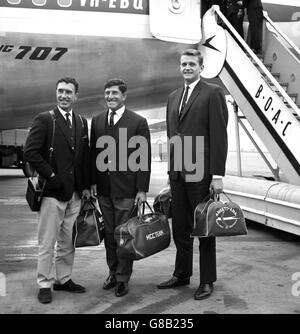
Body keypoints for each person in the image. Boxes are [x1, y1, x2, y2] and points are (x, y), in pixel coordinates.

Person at [157, 49, 228, 300]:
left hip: (202, 173)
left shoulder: (212, 93)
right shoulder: (173, 97)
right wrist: (170, 171)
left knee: (204, 228)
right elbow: (172, 136)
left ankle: (207, 280)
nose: (187, 68)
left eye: (191, 64)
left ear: (201, 66)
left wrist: (217, 174)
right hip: (178, 174)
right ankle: (182, 273)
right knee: (180, 227)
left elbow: (219, 135)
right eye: (183, 64)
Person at [24, 77, 91, 304]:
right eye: (60, 91)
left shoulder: (82, 122)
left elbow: (83, 157)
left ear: (76, 96)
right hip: (52, 194)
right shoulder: (45, 119)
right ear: (56, 93)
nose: (64, 96)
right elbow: (30, 152)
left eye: (68, 92)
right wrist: (51, 176)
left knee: (67, 242)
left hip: (74, 194)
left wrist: (84, 187)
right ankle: (44, 282)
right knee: (47, 242)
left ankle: (63, 278)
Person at [90, 78, 151, 297]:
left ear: (124, 96)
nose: (110, 97)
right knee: (109, 235)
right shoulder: (96, 121)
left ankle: (123, 278)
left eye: (115, 93)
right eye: (107, 93)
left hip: (127, 190)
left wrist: (142, 189)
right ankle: (113, 273)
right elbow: (93, 155)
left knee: (124, 236)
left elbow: (143, 158)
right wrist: (93, 182)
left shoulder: (138, 122)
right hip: (104, 190)